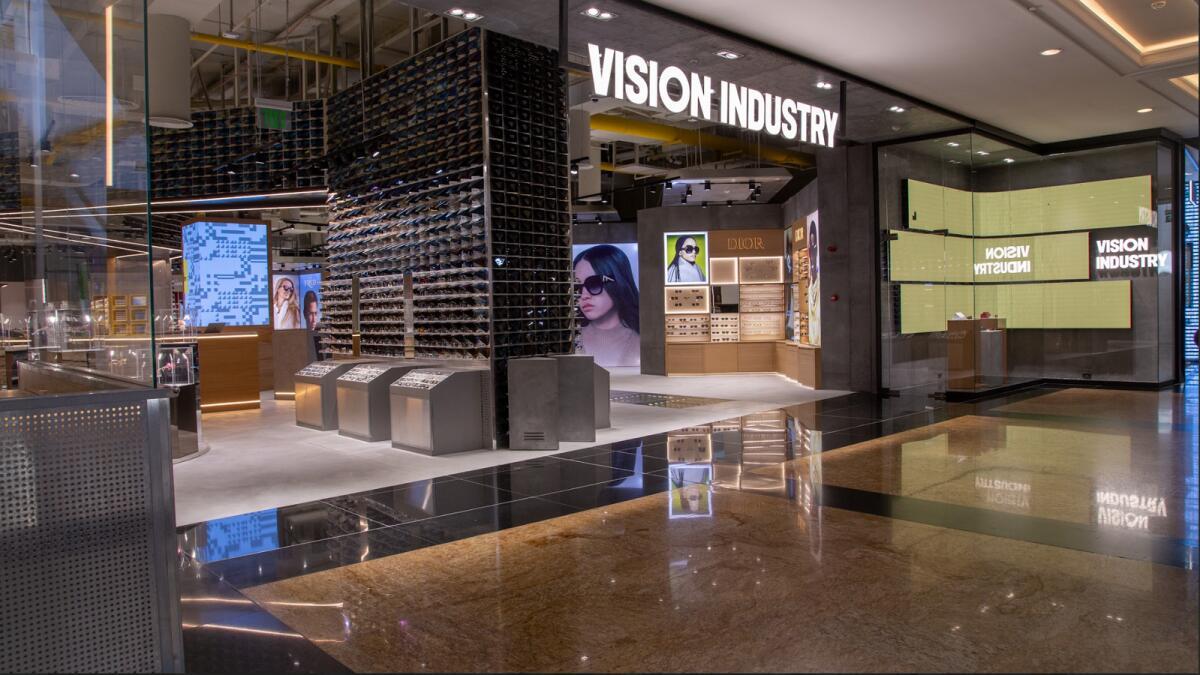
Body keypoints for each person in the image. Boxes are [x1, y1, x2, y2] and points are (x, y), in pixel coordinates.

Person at [573, 244, 640, 367]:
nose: (584, 295)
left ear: (618, 281)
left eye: (594, 284)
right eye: (577, 287)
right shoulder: (569, 340)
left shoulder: (641, 340)